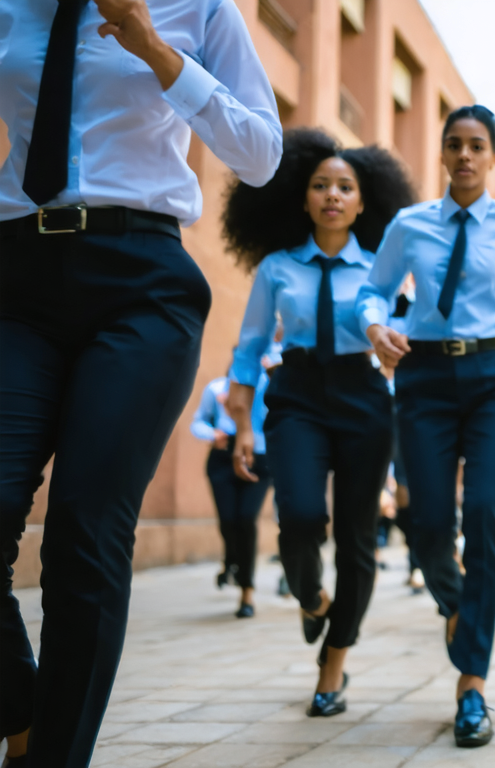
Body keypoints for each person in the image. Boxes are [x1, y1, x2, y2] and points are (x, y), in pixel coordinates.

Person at [0, 0, 281, 762]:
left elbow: (260, 154)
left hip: (141, 282)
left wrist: (155, 48)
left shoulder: (198, 7)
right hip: (18, 278)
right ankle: (24, 707)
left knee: (86, 532)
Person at [357, 105, 495, 748]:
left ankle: (472, 684)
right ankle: (457, 607)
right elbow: (374, 289)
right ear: (442, 155)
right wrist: (375, 326)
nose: (465, 156)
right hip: (424, 379)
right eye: (454, 145)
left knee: (486, 518)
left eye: (477, 146)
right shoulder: (410, 225)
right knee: (429, 526)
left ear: (492, 157)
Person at [223, 128, 414, 718]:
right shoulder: (278, 268)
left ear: (364, 201)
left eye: (345, 187)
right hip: (298, 394)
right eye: (320, 185)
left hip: (363, 395)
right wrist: (243, 419)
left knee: (357, 537)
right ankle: (310, 595)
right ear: (302, 197)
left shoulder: (382, 269)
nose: (332, 195)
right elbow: (252, 342)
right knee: (301, 515)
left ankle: (332, 666)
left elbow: (406, 327)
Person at [190, 365, 274, 618]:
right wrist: (212, 433)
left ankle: (246, 592)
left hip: (257, 458)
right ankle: (231, 560)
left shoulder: (266, 388)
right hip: (222, 457)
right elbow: (198, 422)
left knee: (246, 519)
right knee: (228, 521)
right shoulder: (215, 389)